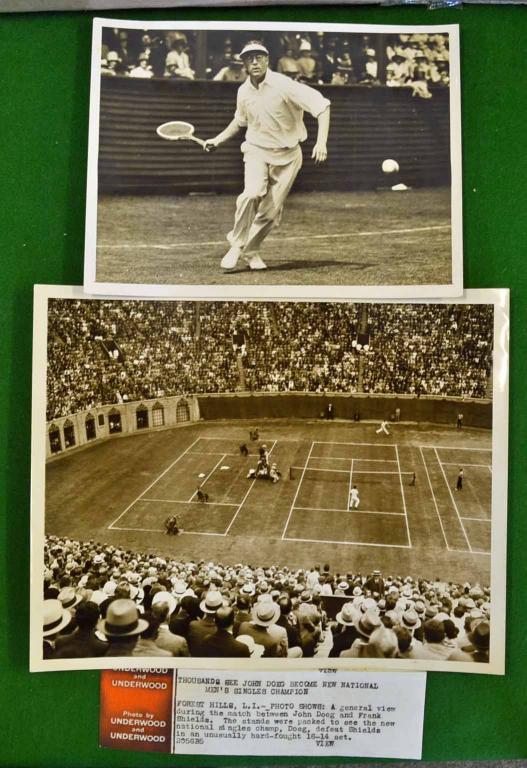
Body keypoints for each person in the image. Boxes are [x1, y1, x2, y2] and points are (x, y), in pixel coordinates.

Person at [204, 40, 331, 272]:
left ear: (267, 60)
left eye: (259, 57)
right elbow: (239, 121)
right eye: (249, 58)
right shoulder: (243, 91)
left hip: (289, 155)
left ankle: (251, 251)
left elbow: (322, 106)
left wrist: (321, 141)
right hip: (256, 150)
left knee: (270, 213)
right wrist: (218, 139)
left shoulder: (284, 85)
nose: (254, 61)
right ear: (243, 63)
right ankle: (237, 243)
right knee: (252, 194)